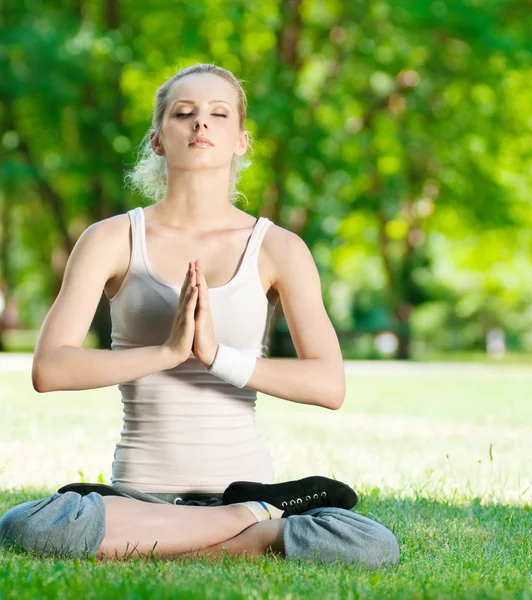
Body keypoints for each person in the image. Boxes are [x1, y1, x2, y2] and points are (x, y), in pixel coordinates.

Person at [0, 63, 399, 569]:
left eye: (218, 114)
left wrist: (217, 357)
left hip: (240, 485)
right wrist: (167, 352)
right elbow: (50, 369)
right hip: (142, 500)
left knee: (369, 543)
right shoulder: (111, 239)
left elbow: (329, 383)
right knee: (25, 526)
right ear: (158, 139)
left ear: (241, 141)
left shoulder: (278, 248)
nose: (200, 124)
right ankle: (241, 527)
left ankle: (166, 539)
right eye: (184, 113)